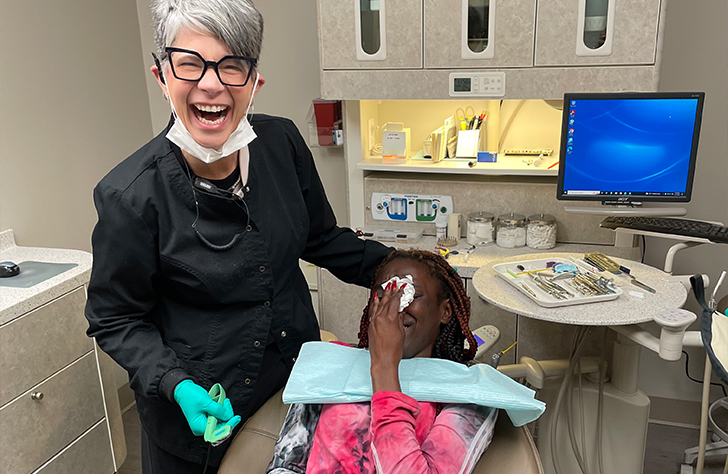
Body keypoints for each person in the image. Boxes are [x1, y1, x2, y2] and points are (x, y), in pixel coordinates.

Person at [84, 1, 391, 472]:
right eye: (190, 64)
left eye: (232, 66)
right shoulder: (131, 196)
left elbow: (322, 238)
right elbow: (116, 319)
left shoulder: (282, 144)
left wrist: (401, 267)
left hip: (294, 382)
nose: (211, 84)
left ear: (254, 83)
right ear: (162, 75)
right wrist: (175, 384)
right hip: (201, 413)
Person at [266, 249, 499, 473]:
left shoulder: (466, 396)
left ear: (445, 311)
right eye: (384, 294)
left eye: (410, 294)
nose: (394, 308)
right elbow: (286, 465)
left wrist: (385, 367)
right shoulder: (330, 369)